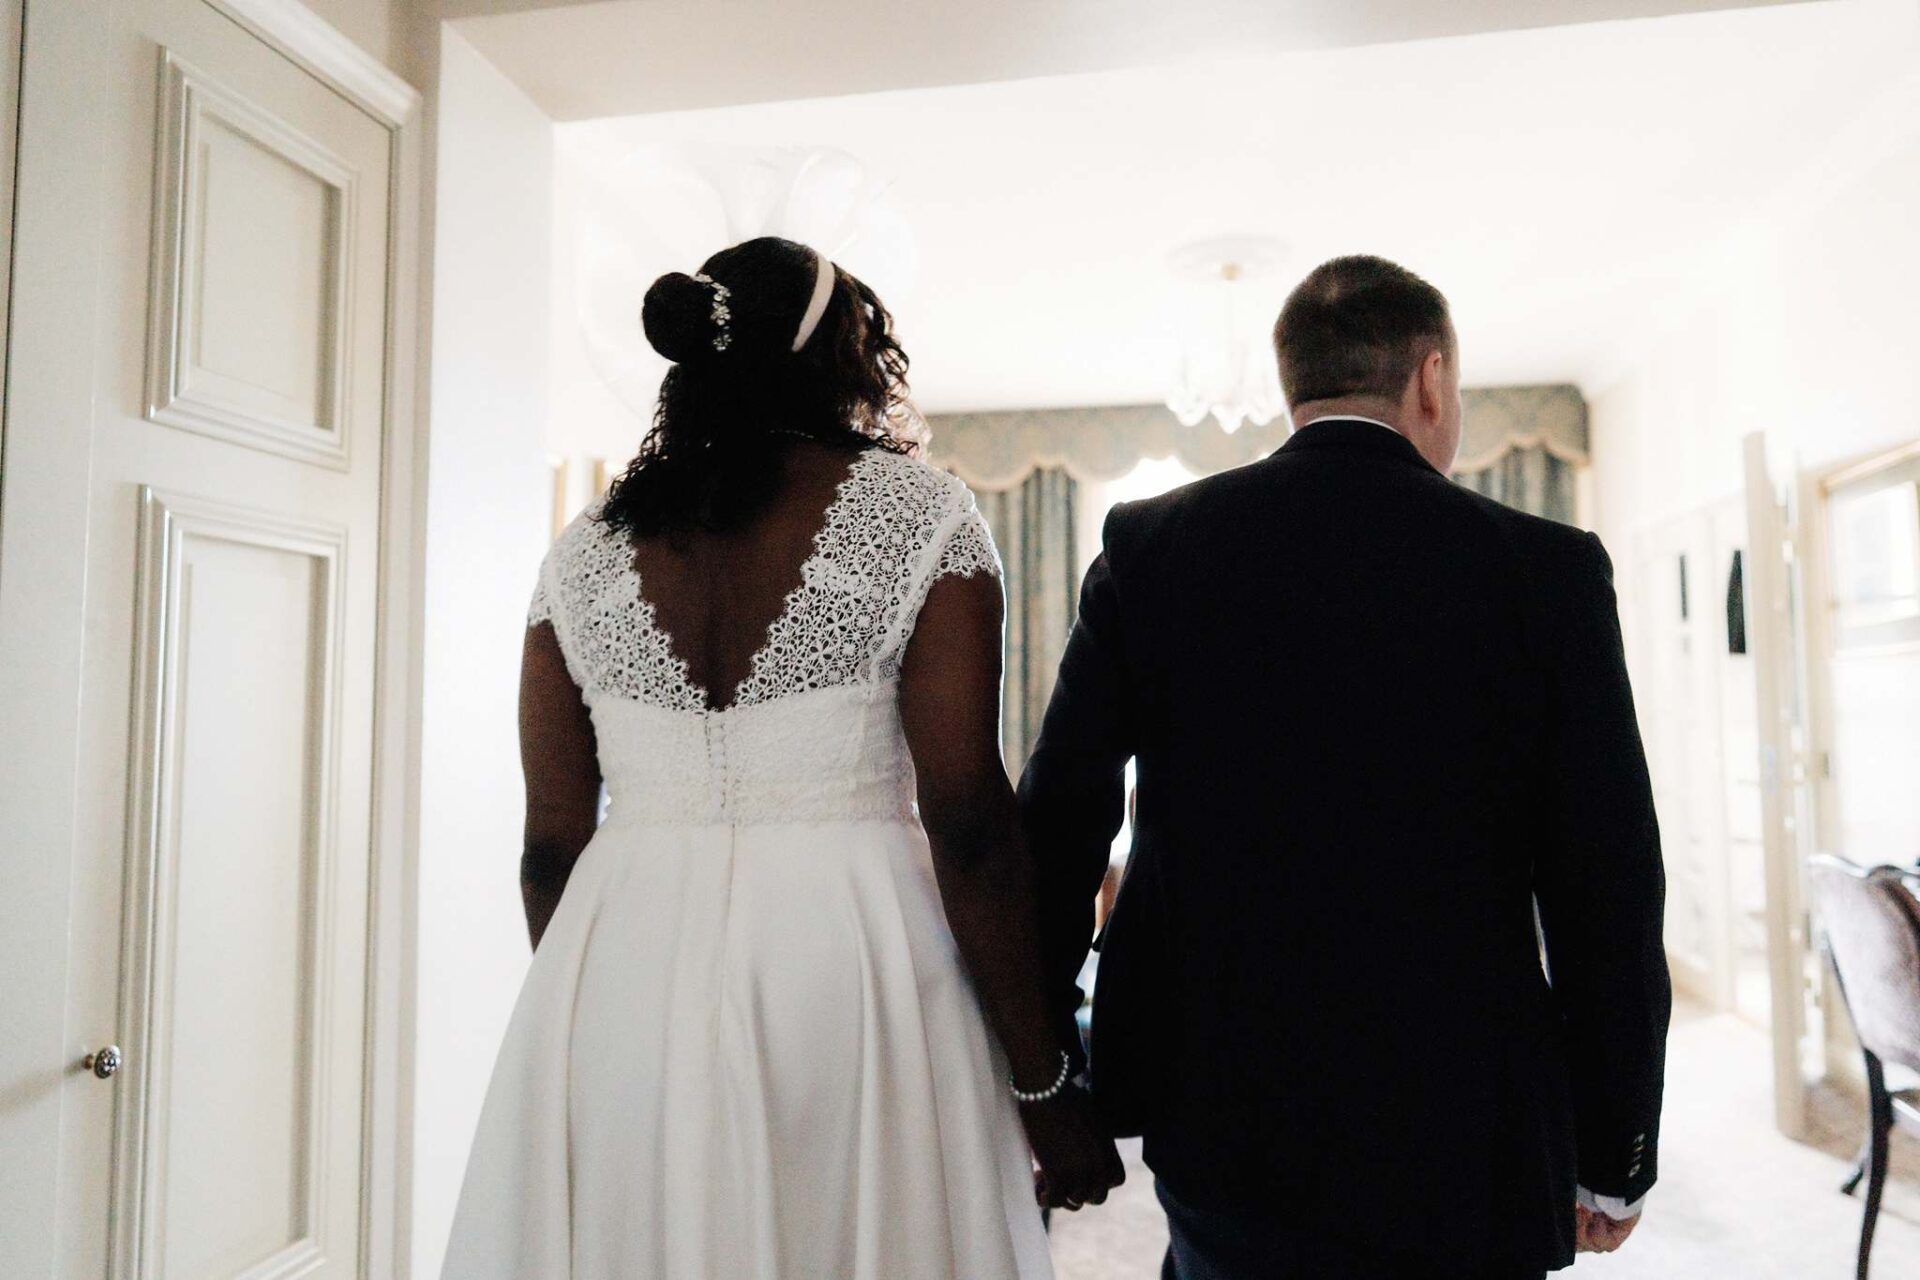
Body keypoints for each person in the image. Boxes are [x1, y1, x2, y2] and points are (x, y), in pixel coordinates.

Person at [442, 236, 1122, 1278]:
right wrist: (1042, 1079)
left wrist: (589, 1006)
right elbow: (972, 829)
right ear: (844, 356)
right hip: (856, 965)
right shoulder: (922, 519)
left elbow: (549, 848)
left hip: (619, 971)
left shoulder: (579, 554)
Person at [1020, 255, 1671, 1278]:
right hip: (1463, 1104)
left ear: (1295, 386)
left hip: (1218, 1089)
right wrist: (1616, 1143)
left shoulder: (1149, 548)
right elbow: (1607, 883)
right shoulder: (1545, 570)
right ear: (1432, 380)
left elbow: (1058, 823)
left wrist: (1048, 1071)